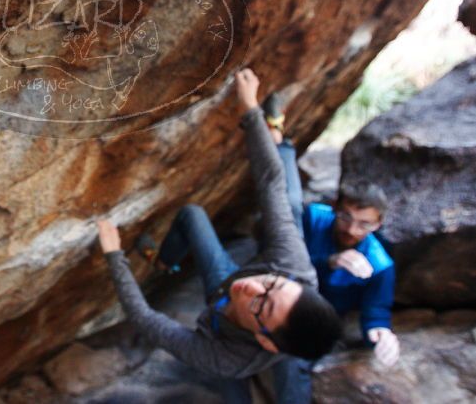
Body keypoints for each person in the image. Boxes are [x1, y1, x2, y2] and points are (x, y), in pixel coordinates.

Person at [95, 68, 343, 403]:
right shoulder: (292, 267)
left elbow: (145, 319)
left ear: (267, 340)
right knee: (200, 215)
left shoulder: (226, 358)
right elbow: (271, 183)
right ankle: (164, 264)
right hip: (226, 289)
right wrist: (249, 108)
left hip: (226, 323)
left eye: (263, 304)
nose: (254, 287)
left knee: (247, 386)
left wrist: (114, 256)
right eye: (272, 284)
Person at [263, 91, 400, 403]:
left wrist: (379, 331)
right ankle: (276, 135)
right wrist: (330, 261)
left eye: (364, 224)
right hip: (284, 286)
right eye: (346, 218)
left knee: (293, 358)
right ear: (336, 206)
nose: (352, 230)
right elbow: (285, 253)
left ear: (378, 225)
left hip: (319, 314)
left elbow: (376, 309)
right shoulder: (316, 217)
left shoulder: (379, 265)